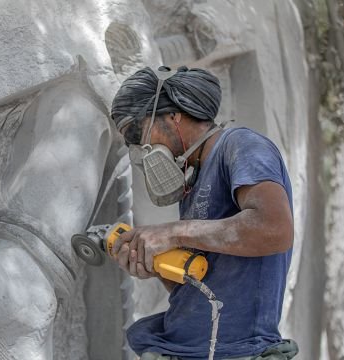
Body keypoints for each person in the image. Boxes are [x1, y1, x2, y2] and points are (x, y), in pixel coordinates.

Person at [109, 66, 299, 360]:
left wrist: (171, 232)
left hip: (235, 352)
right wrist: (156, 265)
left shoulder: (241, 146)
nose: (137, 148)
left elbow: (274, 228)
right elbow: (208, 288)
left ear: (174, 115)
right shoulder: (194, 180)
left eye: (137, 131)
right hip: (185, 348)